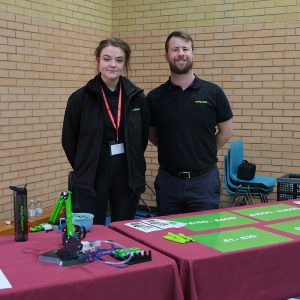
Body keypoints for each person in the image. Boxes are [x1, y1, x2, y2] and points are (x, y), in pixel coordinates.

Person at [62, 38, 150, 225]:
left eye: (119, 60)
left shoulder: (137, 98)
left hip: (127, 175)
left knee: (125, 229)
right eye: (107, 59)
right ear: (98, 61)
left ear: (125, 63)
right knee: (93, 232)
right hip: (93, 176)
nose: (112, 64)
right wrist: (83, 165)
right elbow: (69, 140)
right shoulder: (80, 98)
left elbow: (141, 137)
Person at [147, 31, 233, 216]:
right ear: (167, 55)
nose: (181, 53)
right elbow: (151, 134)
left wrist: (204, 150)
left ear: (192, 53)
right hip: (168, 182)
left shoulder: (213, 92)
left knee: (205, 239)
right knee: (167, 239)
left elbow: (226, 131)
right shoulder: (155, 97)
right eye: (175, 49)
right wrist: (174, 146)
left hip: (204, 182)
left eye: (185, 48)